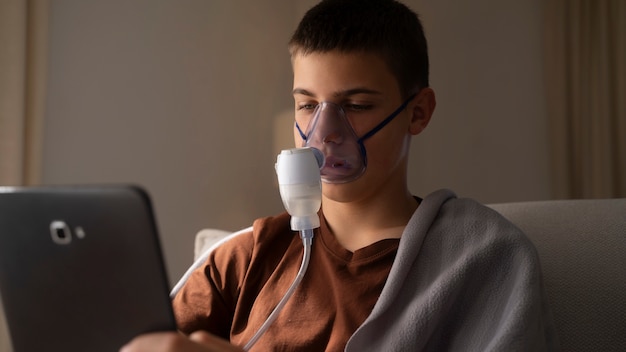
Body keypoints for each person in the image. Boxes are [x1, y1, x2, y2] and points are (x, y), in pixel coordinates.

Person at [121, 0, 557, 351]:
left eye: (357, 105)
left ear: (418, 112)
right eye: (308, 105)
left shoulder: (482, 260)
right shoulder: (244, 260)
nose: (324, 134)